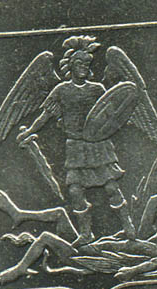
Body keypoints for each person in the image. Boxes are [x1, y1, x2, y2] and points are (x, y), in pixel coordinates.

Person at [16, 35, 136, 245]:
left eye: (87, 63)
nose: (83, 67)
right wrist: (29, 132)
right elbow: (45, 116)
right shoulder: (61, 90)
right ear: (70, 65)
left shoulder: (97, 89)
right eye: (79, 63)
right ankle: (86, 234)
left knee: (111, 187)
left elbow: (112, 114)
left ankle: (128, 228)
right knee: (75, 190)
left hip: (97, 145)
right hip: (75, 146)